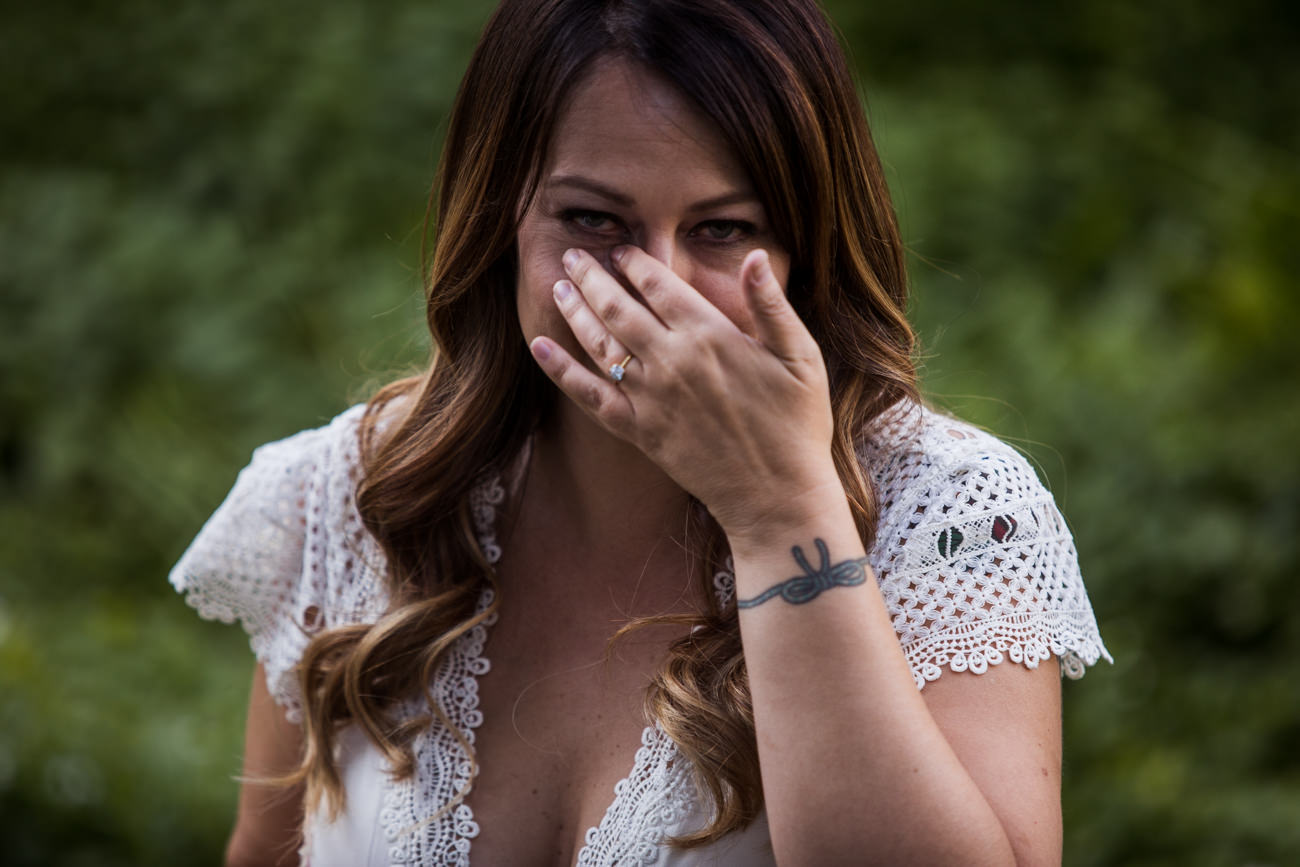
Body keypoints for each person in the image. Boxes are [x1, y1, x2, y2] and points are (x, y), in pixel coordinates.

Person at [170, 0, 1111, 864]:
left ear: (804, 246)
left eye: (720, 228)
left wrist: (778, 510)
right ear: (502, 221)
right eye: (593, 220)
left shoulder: (947, 515)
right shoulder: (353, 492)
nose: (649, 291)